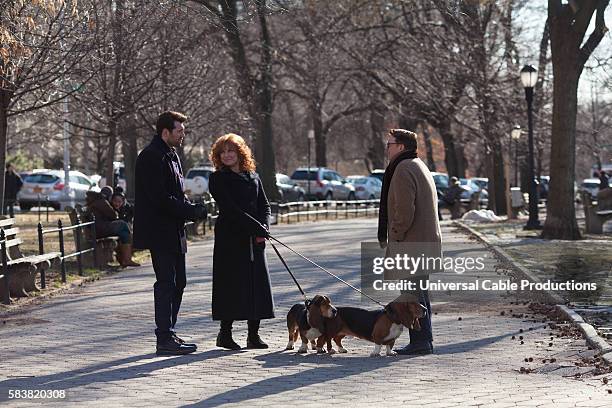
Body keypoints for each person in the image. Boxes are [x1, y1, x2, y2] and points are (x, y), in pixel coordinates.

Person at [133, 111, 206, 356]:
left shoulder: (171, 155)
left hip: (175, 229)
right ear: (165, 132)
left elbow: (176, 192)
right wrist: (190, 211)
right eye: (179, 131)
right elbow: (160, 198)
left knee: (180, 282)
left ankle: (170, 332)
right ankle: (163, 337)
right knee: (166, 283)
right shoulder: (151, 156)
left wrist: (190, 208)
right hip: (159, 230)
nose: (183, 134)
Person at [377, 128, 441, 355]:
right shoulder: (418, 165)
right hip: (423, 242)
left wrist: (395, 234)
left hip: (411, 243)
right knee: (419, 293)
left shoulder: (403, 169)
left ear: (401, 147)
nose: (387, 148)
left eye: (390, 144)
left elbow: (404, 210)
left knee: (412, 295)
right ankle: (424, 339)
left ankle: (421, 341)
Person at [208, 133, 274, 350]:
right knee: (232, 285)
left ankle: (253, 335)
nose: (227, 155)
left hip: (255, 239)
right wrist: (256, 226)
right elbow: (230, 209)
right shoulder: (217, 179)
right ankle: (224, 334)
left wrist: (264, 227)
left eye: (231, 151)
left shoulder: (253, 176)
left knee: (256, 285)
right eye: (223, 152)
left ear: (240, 152)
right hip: (231, 238)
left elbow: (264, 206)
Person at [85, 186, 140, 268]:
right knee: (122, 225)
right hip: (100, 229)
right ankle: (126, 259)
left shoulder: (95, 201)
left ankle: (125, 259)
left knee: (123, 232)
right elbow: (113, 215)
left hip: (96, 228)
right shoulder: (102, 202)